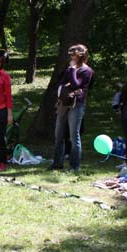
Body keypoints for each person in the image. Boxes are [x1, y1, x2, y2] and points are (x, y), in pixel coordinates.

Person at [51, 44, 93, 172]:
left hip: (76, 105)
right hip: (64, 103)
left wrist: (73, 70)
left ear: (80, 56)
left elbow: (76, 85)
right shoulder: (70, 69)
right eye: (71, 55)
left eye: (74, 55)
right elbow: (61, 82)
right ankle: (57, 163)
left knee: (74, 136)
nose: (71, 57)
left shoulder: (87, 71)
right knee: (58, 134)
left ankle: (74, 166)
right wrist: (70, 71)